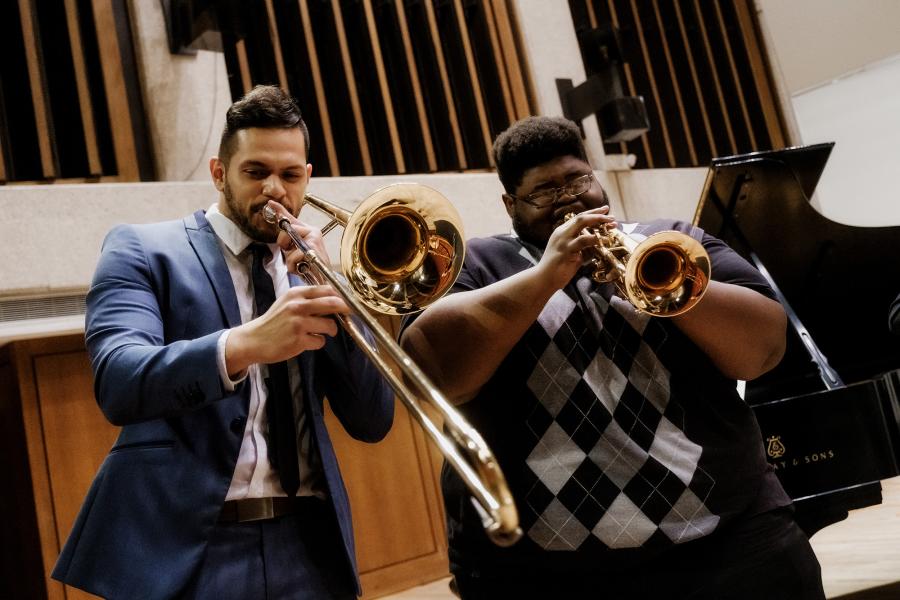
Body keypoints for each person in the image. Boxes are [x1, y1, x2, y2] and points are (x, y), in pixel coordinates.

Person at [400, 116, 825, 599]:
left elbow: (764, 351)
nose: (566, 197)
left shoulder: (673, 238)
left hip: (729, 541)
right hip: (542, 572)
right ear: (509, 205)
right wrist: (544, 278)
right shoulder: (475, 265)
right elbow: (432, 373)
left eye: (576, 178)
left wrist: (666, 287)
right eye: (543, 190)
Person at [52, 85, 394, 599]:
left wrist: (335, 287)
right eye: (256, 172)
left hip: (310, 543)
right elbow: (119, 380)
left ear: (308, 177)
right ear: (219, 173)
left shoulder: (315, 273)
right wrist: (245, 344)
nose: (274, 190)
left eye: (290, 174)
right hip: (192, 547)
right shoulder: (143, 248)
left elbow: (372, 420)